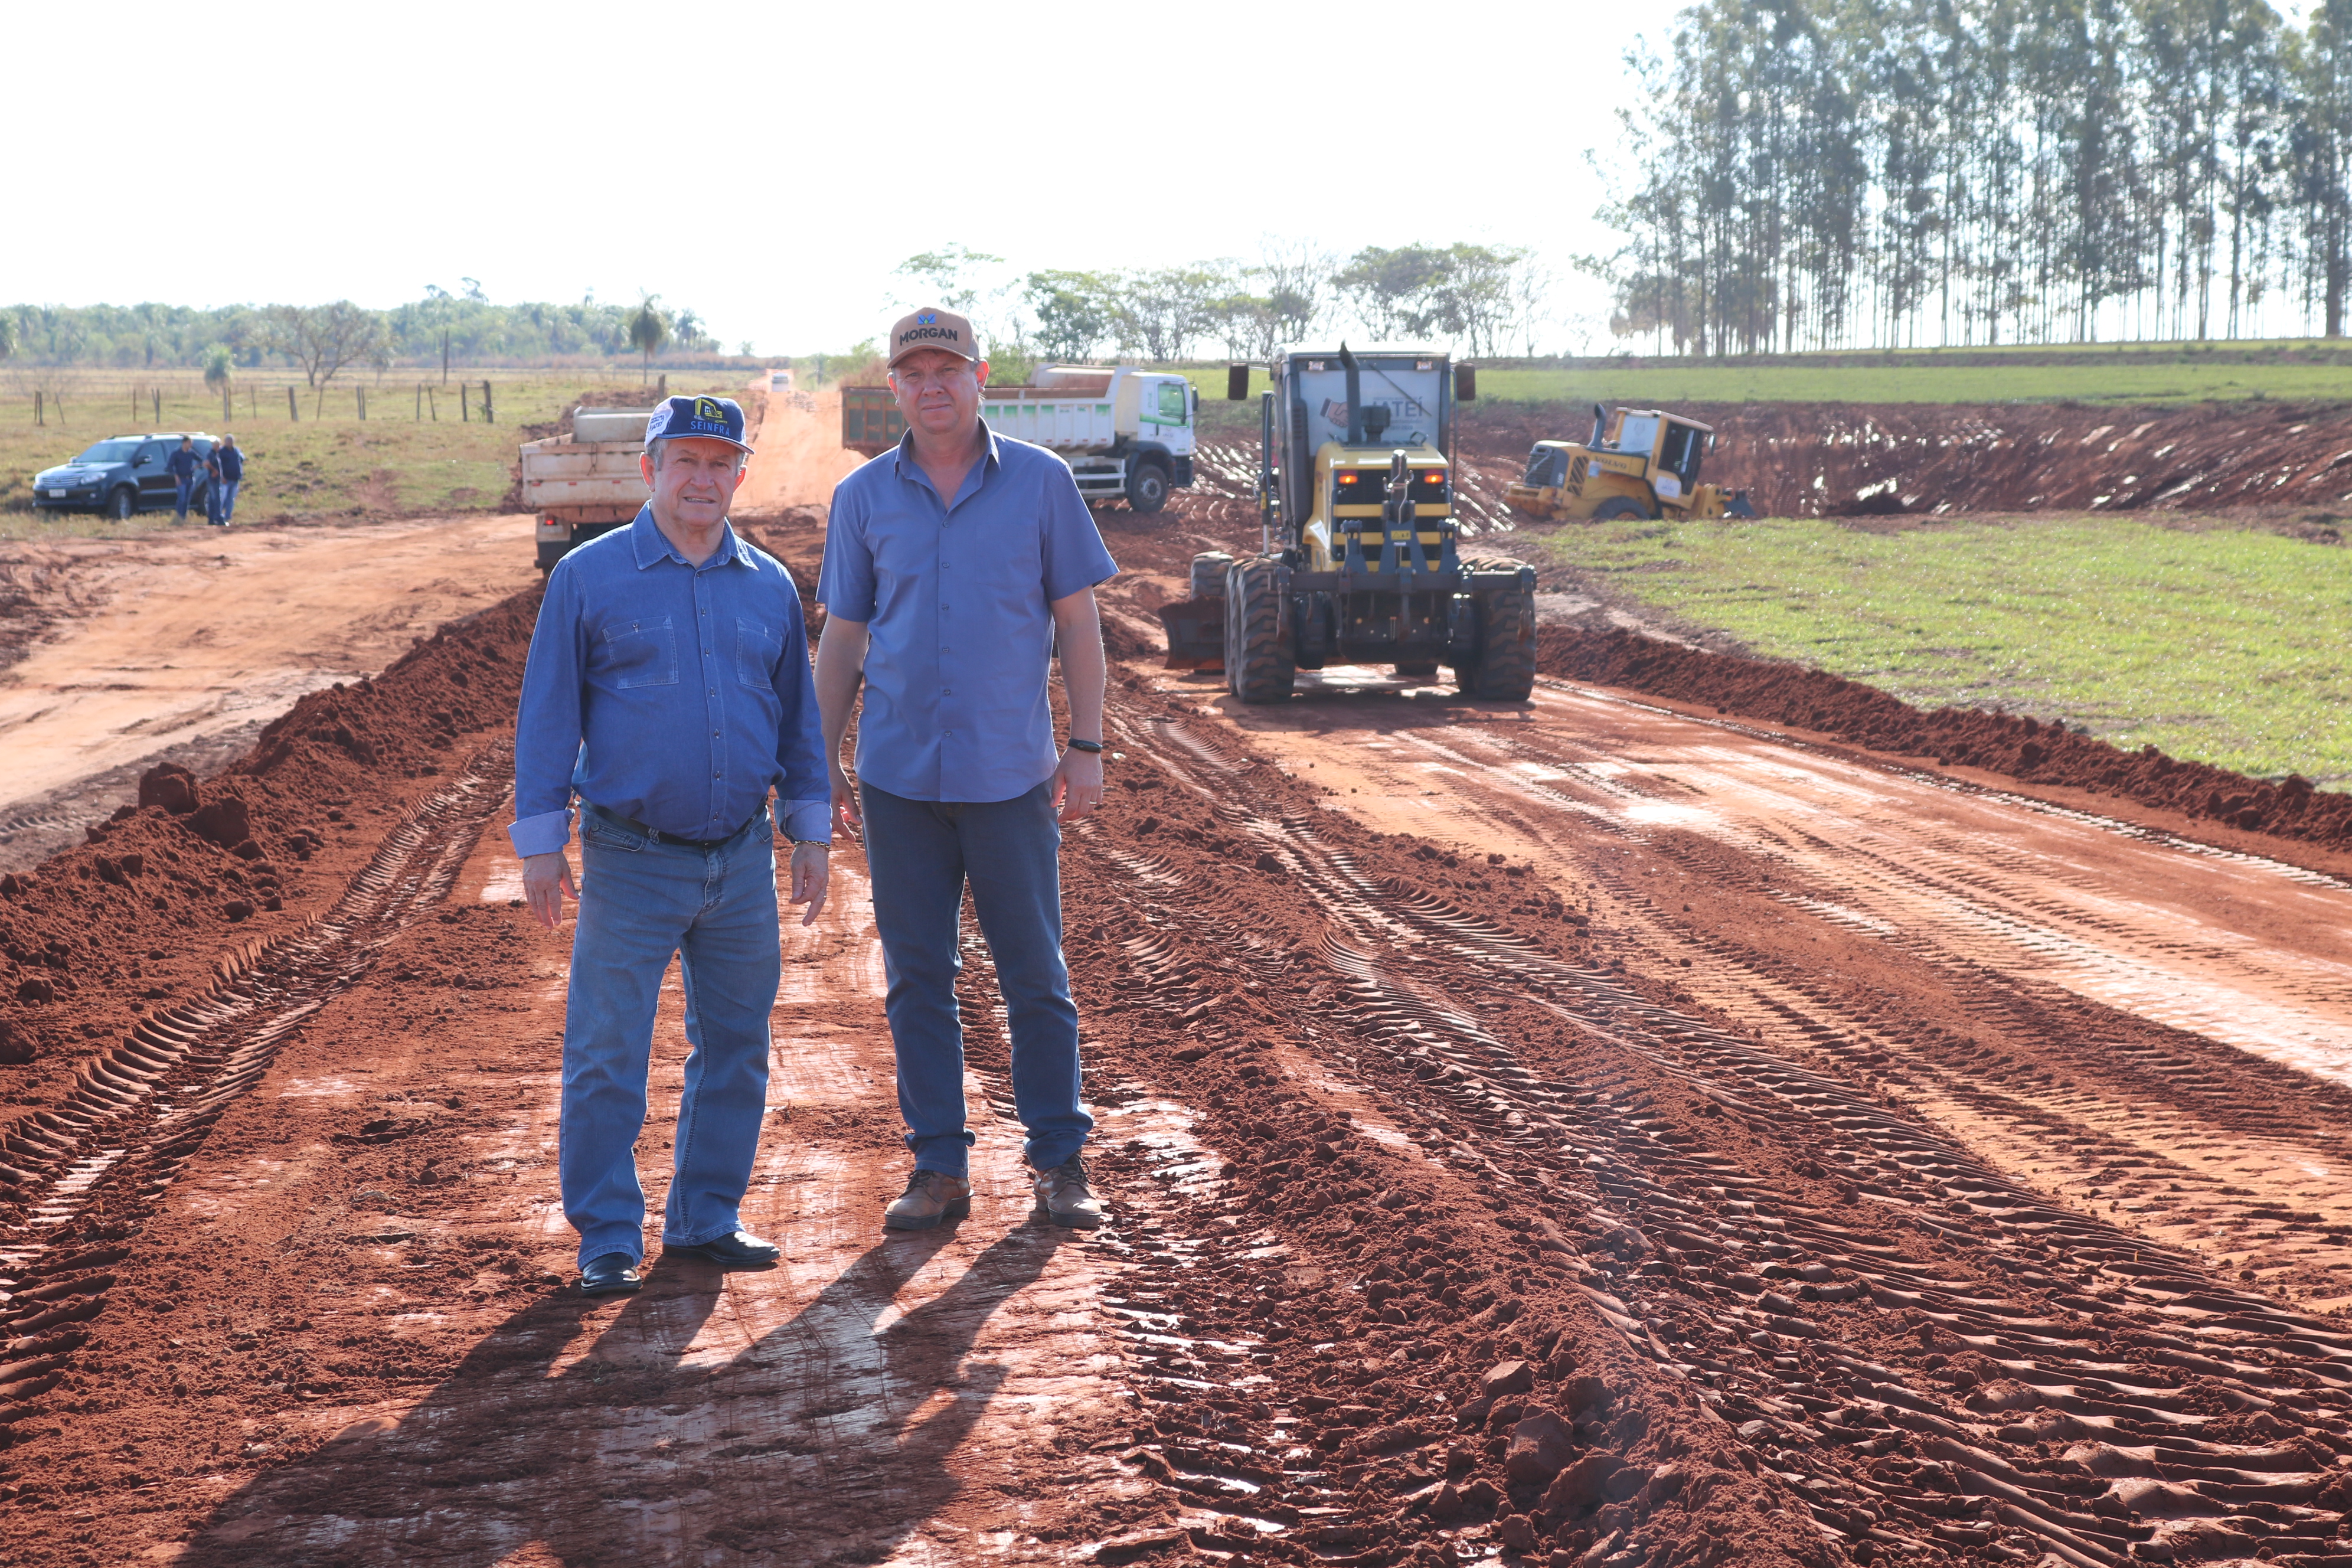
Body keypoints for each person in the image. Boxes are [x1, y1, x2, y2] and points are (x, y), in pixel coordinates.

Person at [511, 394, 832, 1298]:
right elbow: (548, 716)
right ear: (649, 470)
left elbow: (798, 720)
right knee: (608, 1051)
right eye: (683, 461)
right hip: (631, 857)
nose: (702, 478)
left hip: (740, 864)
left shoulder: (767, 584)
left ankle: (706, 1217)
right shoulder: (589, 577)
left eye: (719, 462)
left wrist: (808, 828)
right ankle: (609, 1235)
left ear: (740, 476)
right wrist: (543, 842)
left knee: (735, 1043)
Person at [815, 307, 1116, 1233]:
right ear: (894, 386)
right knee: (916, 978)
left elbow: (1077, 623)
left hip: (1011, 778)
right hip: (899, 781)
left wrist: (1088, 744)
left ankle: (1060, 1163)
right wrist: (820, 760)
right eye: (915, 371)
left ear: (981, 376)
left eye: (949, 367)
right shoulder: (863, 497)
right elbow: (843, 637)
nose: (932, 385)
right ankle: (939, 1169)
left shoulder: (1040, 482)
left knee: (1035, 975)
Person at [166, 436, 202, 522]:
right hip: (181, 480)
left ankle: (184, 517)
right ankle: (179, 517)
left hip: (190, 479)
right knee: (182, 499)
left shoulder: (191, 453)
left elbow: (201, 460)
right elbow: (170, 466)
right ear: (184, 443)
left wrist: (196, 467)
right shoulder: (176, 453)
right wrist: (176, 476)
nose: (191, 445)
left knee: (187, 500)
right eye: (190, 443)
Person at [210, 435, 243, 527]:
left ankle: (228, 516)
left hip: (235, 479)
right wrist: (222, 477)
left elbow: (241, 460)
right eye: (228, 441)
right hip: (225, 479)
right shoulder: (221, 452)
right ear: (225, 442)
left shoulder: (237, 450)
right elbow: (218, 465)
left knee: (231, 499)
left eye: (231, 441)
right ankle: (219, 516)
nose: (230, 443)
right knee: (223, 498)